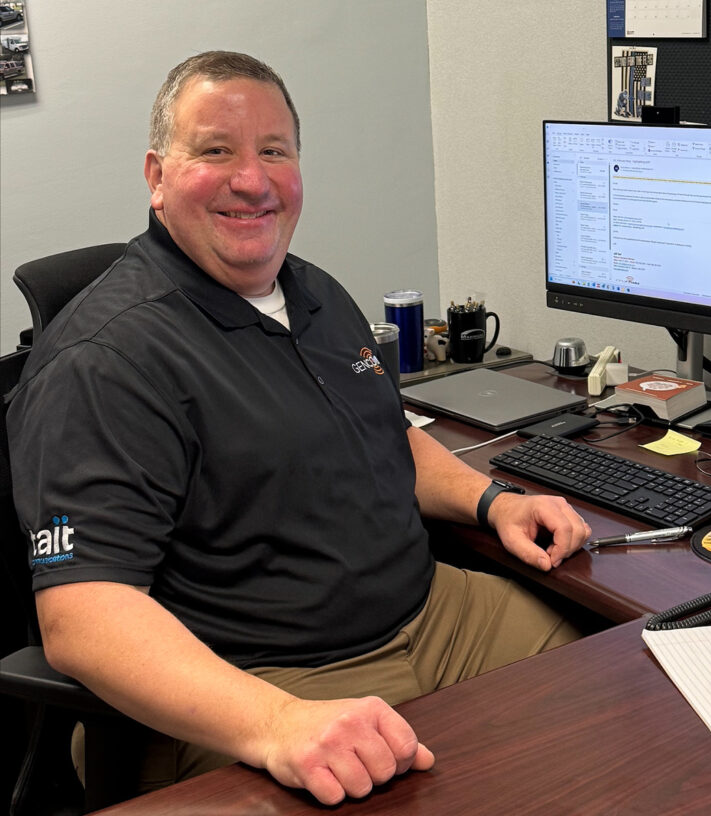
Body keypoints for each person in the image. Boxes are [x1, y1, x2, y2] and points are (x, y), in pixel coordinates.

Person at [7, 51, 591, 806]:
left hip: (439, 616)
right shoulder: (106, 358)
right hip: (265, 679)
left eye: (273, 152)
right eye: (215, 150)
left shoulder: (315, 293)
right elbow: (81, 621)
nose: (252, 180)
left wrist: (493, 502)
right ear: (156, 176)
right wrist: (279, 723)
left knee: (629, 710)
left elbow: (386, 434)